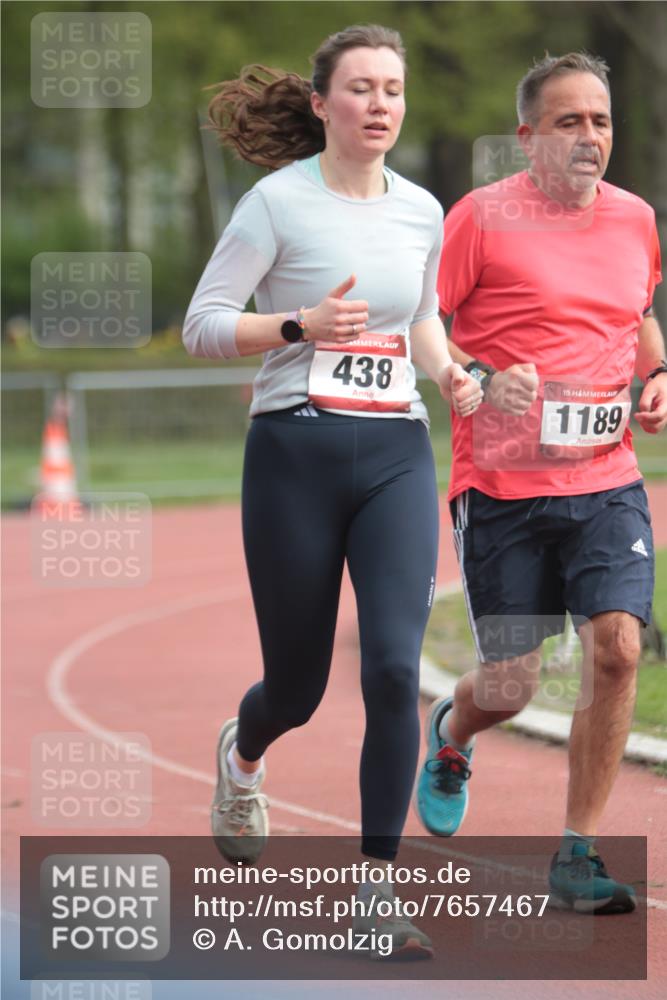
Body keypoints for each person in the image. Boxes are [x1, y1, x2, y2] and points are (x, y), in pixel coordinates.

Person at [183, 24, 481, 958]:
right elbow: (202, 325)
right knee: (298, 688)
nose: (379, 104)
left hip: (394, 451)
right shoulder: (275, 202)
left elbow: (421, 316)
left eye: (392, 88)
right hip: (293, 455)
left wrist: (449, 373)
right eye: (360, 88)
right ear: (321, 105)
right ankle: (244, 753)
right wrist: (296, 325)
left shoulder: (422, 209)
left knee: (392, 669)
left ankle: (374, 891)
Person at [415, 52, 667, 915]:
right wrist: (479, 375)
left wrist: (657, 373)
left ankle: (576, 853)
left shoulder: (634, 218)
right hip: (500, 486)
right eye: (568, 121)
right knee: (512, 685)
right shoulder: (480, 218)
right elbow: (420, 324)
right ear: (526, 136)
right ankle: (453, 733)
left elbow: (636, 314)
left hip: (606, 478)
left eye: (600, 120)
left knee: (617, 648)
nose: (588, 136)